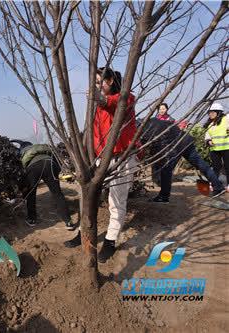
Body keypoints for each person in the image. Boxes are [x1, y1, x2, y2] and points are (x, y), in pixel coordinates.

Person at [65, 67, 138, 264]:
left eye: (99, 82)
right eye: (95, 83)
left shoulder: (127, 99)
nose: (96, 86)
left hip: (122, 158)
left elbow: (114, 103)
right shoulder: (96, 108)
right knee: (88, 196)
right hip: (100, 158)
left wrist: (100, 98)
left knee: (116, 202)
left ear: (111, 81)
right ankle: (83, 233)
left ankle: (110, 241)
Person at [143, 118, 225, 202]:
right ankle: (218, 187)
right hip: (186, 141)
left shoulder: (145, 130)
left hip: (175, 146)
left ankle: (163, 197)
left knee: (166, 170)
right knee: (201, 164)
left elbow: (154, 146)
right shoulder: (153, 120)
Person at [12, 140, 74, 229]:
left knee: (31, 195)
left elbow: (21, 172)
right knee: (57, 194)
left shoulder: (22, 152)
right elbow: (57, 161)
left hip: (33, 168)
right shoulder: (40, 148)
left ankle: (32, 219)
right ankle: (68, 222)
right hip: (49, 163)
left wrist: (23, 189)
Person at [204, 102, 229, 191]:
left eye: (212, 112)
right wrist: (208, 140)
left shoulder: (226, 118)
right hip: (214, 149)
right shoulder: (210, 123)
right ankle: (214, 184)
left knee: (228, 167)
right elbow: (207, 134)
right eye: (209, 112)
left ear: (219, 112)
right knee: (215, 167)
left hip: (227, 148)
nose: (210, 114)